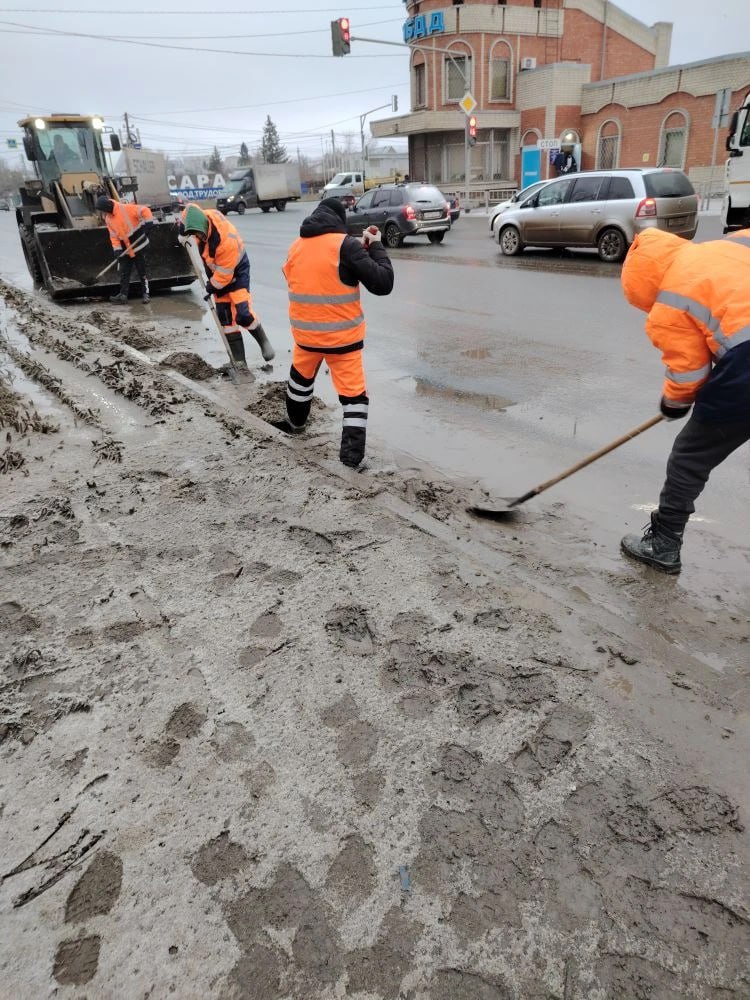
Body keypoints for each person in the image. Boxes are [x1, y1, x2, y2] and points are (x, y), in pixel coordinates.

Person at [619, 227, 750, 574]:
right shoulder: (729, 244)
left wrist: (673, 404)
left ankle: (664, 544)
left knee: (690, 455)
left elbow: (688, 373)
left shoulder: (671, 298)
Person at [278, 197, 394, 468]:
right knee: (354, 398)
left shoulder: (296, 246)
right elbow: (382, 282)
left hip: (306, 337)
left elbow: (301, 277)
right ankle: (351, 460)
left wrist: (355, 257)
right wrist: (375, 247)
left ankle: (295, 425)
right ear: (340, 221)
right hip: (342, 341)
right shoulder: (346, 246)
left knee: (300, 382)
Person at [180, 203, 274, 367]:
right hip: (217, 272)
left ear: (205, 228)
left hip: (236, 272)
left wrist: (209, 288)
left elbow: (224, 276)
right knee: (226, 319)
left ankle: (264, 343)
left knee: (243, 314)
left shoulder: (225, 241)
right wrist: (182, 232)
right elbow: (188, 210)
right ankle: (239, 362)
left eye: (199, 235)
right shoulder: (200, 216)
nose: (198, 238)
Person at [95, 195, 154, 304]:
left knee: (142, 270)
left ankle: (146, 294)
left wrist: (149, 222)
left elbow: (144, 210)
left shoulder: (125, 208)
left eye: (103, 210)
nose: (103, 213)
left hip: (138, 243)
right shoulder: (108, 218)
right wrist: (117, 250)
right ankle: (123, 295)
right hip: (125, 247)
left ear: (108, 206)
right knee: (124, 271)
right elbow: (113, 236)